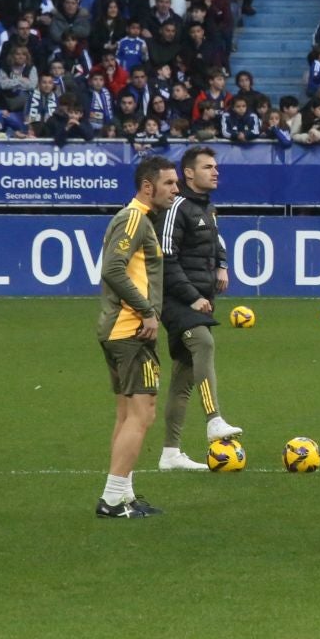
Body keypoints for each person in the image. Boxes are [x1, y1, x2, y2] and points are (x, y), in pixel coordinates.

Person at [95, 156, 177, 519]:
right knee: (143, 414)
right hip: (130, 330)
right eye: (170, 184)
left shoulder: (139, 219)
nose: (176, 190)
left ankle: (123, 495)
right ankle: (112, 500)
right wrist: (146, 310)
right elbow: (112, 267)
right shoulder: (133, 218)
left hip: (120, 329)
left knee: (127, 413)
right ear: (148, 186)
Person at [154, 146, 243, 472]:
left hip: (199, 299)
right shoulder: (176, 207)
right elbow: (166, 257)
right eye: (208, 167)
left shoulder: (207, 209)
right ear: (189, 173)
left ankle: (170, 453)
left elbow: (215, 243)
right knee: (204, 342)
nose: (215, 171)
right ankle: (214, 419)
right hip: (177, 300)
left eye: (216, 166)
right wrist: (191, 296)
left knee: (183, 378)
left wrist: (222, 265)